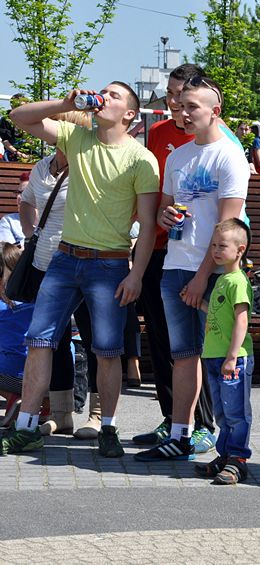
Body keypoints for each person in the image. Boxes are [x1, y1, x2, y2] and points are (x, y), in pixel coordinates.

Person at [2, 82, 160, 457]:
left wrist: (136, 274)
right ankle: (26, 428)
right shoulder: (77, 137)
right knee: (39, 341)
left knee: (107, 350)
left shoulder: (141, 159)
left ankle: (107, 428)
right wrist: (64, 102)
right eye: (103, 91)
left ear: (130, 114)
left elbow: (149, 226)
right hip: (63, 258)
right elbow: (17, 117)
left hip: (109, 263)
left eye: (114, 95)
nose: (104, 96)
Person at [135, 76, 250, 462]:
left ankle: (229, 446)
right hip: (174, 266)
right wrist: (166, 216)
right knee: (182, 355)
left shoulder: (229, 155)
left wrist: (202, 277)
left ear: (214, 111)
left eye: (191, 107)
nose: (182, 113)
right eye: (180, 106)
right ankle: (180, 434)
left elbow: (227, 227)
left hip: (212, 273)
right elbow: (166, 209)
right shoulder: (178, 157)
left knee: (218, 358)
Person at [132, 63, 218, 454]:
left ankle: (202, 425)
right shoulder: (159, 133)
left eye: (180, 95)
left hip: (196, 256)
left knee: (192, 346)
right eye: (169, 94)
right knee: (162, 341)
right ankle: (172, 419)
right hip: (157, 248)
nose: (173, 103)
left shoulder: (215, 138)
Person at [18, 111, 94, 438]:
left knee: (93, 339)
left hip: (82, 263)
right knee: (54, 340)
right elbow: (26, 202)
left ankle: (97, 416)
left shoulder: (89, 167)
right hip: (44, 265)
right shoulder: (42, 167)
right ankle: (62, 415)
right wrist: (30, 234)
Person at [195, 219, 254, 485]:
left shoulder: (238, 281)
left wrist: (232, 356)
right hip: (214, 356)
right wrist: (200, 304)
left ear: (240, 250)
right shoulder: (222, 279)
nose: (216, 251)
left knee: (236, 412)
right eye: (214, 246)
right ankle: (225, 454)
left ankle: (238, 459)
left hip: (233, 359)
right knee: (221, 411)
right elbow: (220, 313)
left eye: (222, 246)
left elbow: (241, 320)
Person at [0, 244, 34, 397]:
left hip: (17, 378)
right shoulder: (38, 296)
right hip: (55, 378)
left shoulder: (3, 306)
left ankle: (13, 398)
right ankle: (44, 403)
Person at [0, 94, 30, 162]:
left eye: (23, 106)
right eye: (17, 106)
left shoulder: (30, 118)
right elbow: (5, 140)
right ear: (12, 106)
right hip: (12, 152)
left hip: (29, 152)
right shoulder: (6, 119)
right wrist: (17, 153)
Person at [0, 172, 26, 246]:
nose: (18, 197)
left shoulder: (53, 222)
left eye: (25, 192)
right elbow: (8, 251)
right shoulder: (9, 221)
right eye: (18, 192)